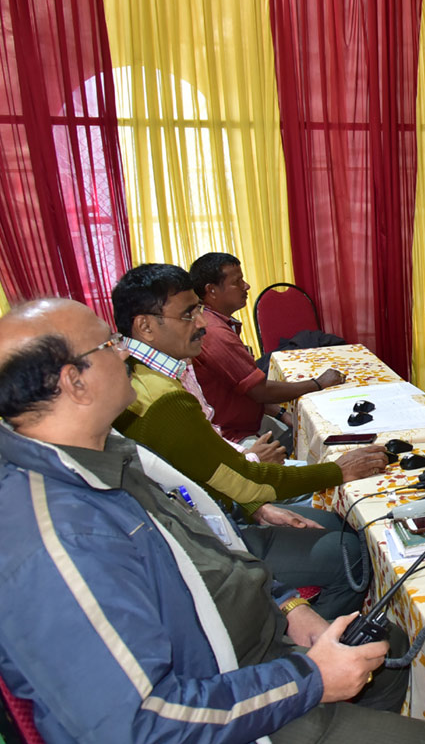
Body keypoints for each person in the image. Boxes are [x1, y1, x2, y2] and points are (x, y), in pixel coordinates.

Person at [0, 298, 425, 744]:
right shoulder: (58, 540)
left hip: (245, 644)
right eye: (108, 345)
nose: (125, 353)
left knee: (386, 647)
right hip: (223, 692)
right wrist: (310, 680)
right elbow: (134, 726)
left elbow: (209, 548)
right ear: (74, 382)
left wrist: (287, 607)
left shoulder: (103, 456)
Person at [111, 263, 390, 618]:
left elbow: (208, 472)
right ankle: (311, 650)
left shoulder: (153, 373)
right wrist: (337, 471)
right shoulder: (162, 398)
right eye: (188, 314)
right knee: (352, 551)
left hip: (207, 513)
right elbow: (246, 478)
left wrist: (255, 505)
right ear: (145, 326)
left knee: (340, 522)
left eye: (198, 310)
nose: (201, 323)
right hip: (206, 542)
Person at [188, 251, 343, 444]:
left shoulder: (216, 322)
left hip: (250, 419)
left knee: (308, 426)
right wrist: (318, 383)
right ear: (211, 290)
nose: (246, 286)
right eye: (237, 282)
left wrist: (280, 413)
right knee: (319, 437)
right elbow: (258, 390)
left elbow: (241, 388)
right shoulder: (214, 332)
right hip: (233, 435)